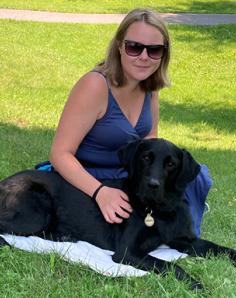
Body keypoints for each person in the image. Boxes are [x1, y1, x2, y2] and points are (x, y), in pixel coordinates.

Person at [47, 8, 212, 237]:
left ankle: (178, 233)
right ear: (119, 46)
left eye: (154, 50)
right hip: (90, 175)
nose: (144, 57)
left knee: (197, 175)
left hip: (127, 174)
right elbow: (60, 154)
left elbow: (150, 140)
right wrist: (100, 192)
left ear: (163, 54)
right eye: (134, 47)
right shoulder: (95, 86)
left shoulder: (150, 88)